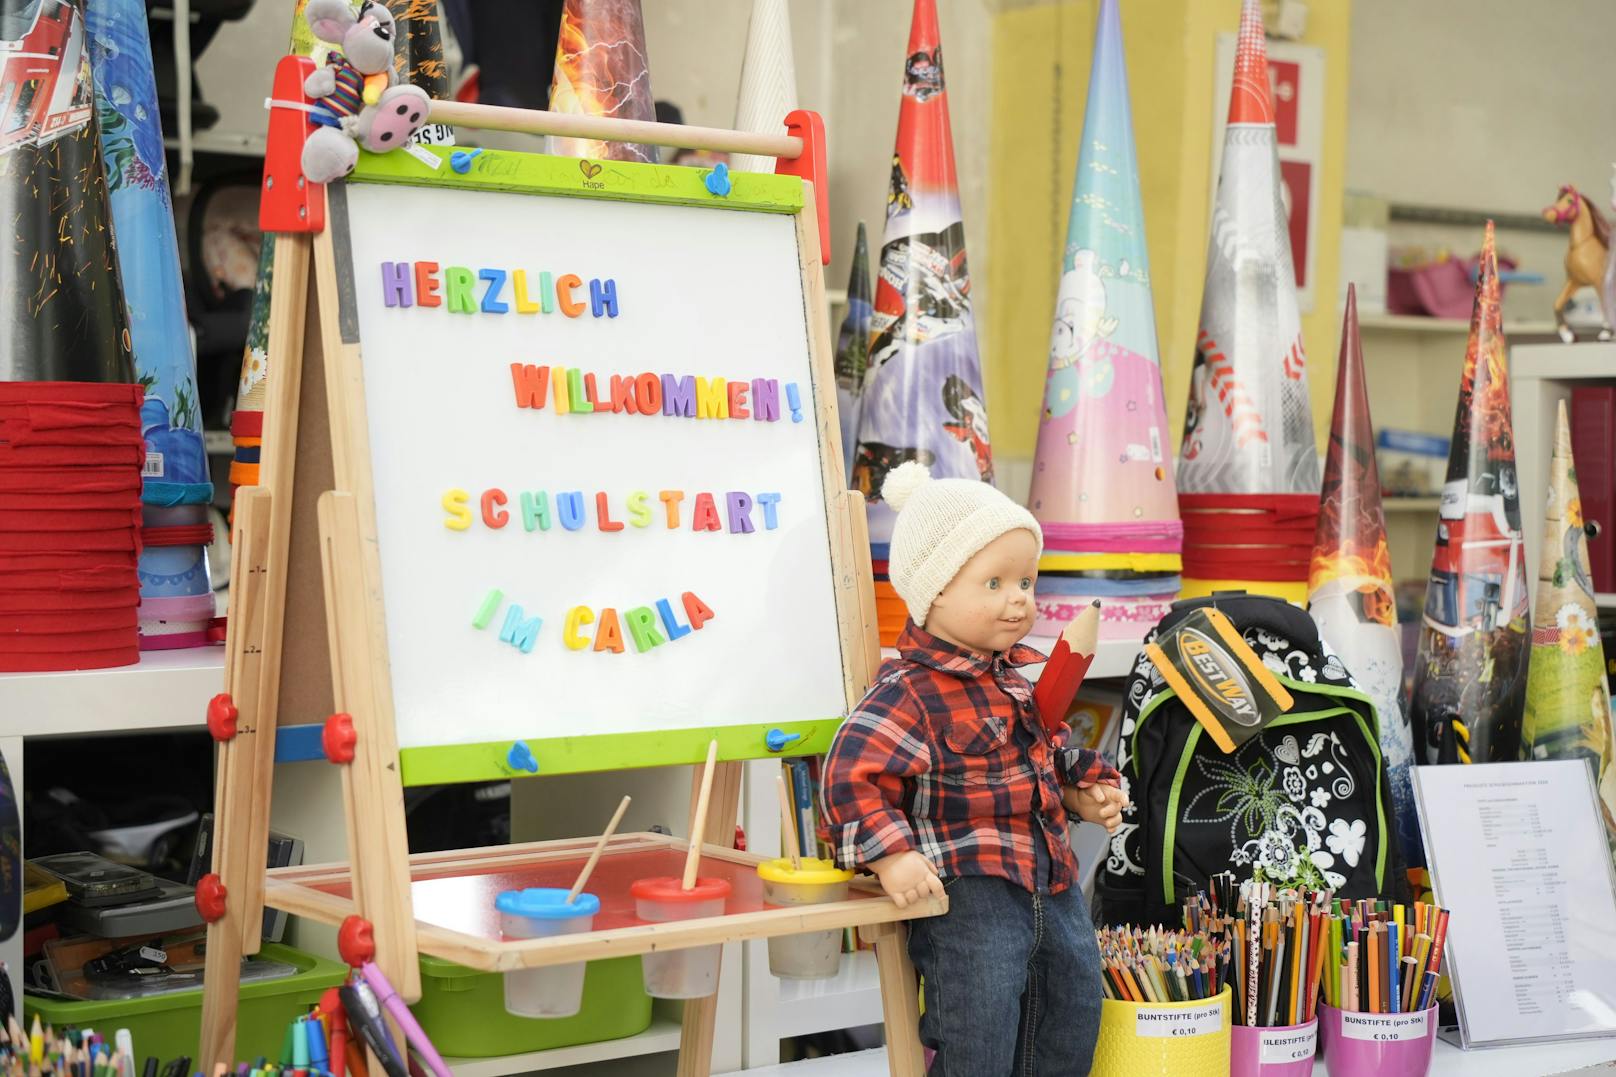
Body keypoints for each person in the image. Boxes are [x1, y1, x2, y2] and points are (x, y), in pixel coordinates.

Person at [822, 461, 1126, 1076]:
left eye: (1026, 581)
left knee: (1073, 1012)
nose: (1020, 599)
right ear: (934, 590)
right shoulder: (909, 691)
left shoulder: (1014, 680)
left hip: (1053, 880)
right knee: (978, 1032)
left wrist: (1079, 790)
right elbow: (848, 775)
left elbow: (1042, 755)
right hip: (971, 894)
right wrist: (892, 855)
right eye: (994, 583)